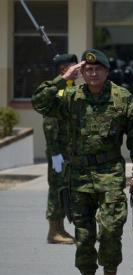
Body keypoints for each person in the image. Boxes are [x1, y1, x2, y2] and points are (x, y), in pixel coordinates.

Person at [32, 48, 133, 275]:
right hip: (79, 177)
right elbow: (40, 102)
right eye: (87, 69)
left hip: (110, 173)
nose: (92, 73)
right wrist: (64, 77)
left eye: (97, 69)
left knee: (110, 232)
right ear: (81, 72)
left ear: (107, 71)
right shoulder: (71, 96)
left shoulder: (122, 98)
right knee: (84, 237)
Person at [41, 53, 78, 244]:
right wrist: (55, 152)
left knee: (65, 189)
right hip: (59, 151)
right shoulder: (55, 90)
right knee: (56, 188)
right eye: (73, 66)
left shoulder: (71, 88)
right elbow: (50, 123)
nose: (77, 70)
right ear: (63, 70)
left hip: (69, 150)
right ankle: (53, 231)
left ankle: (61, 228)